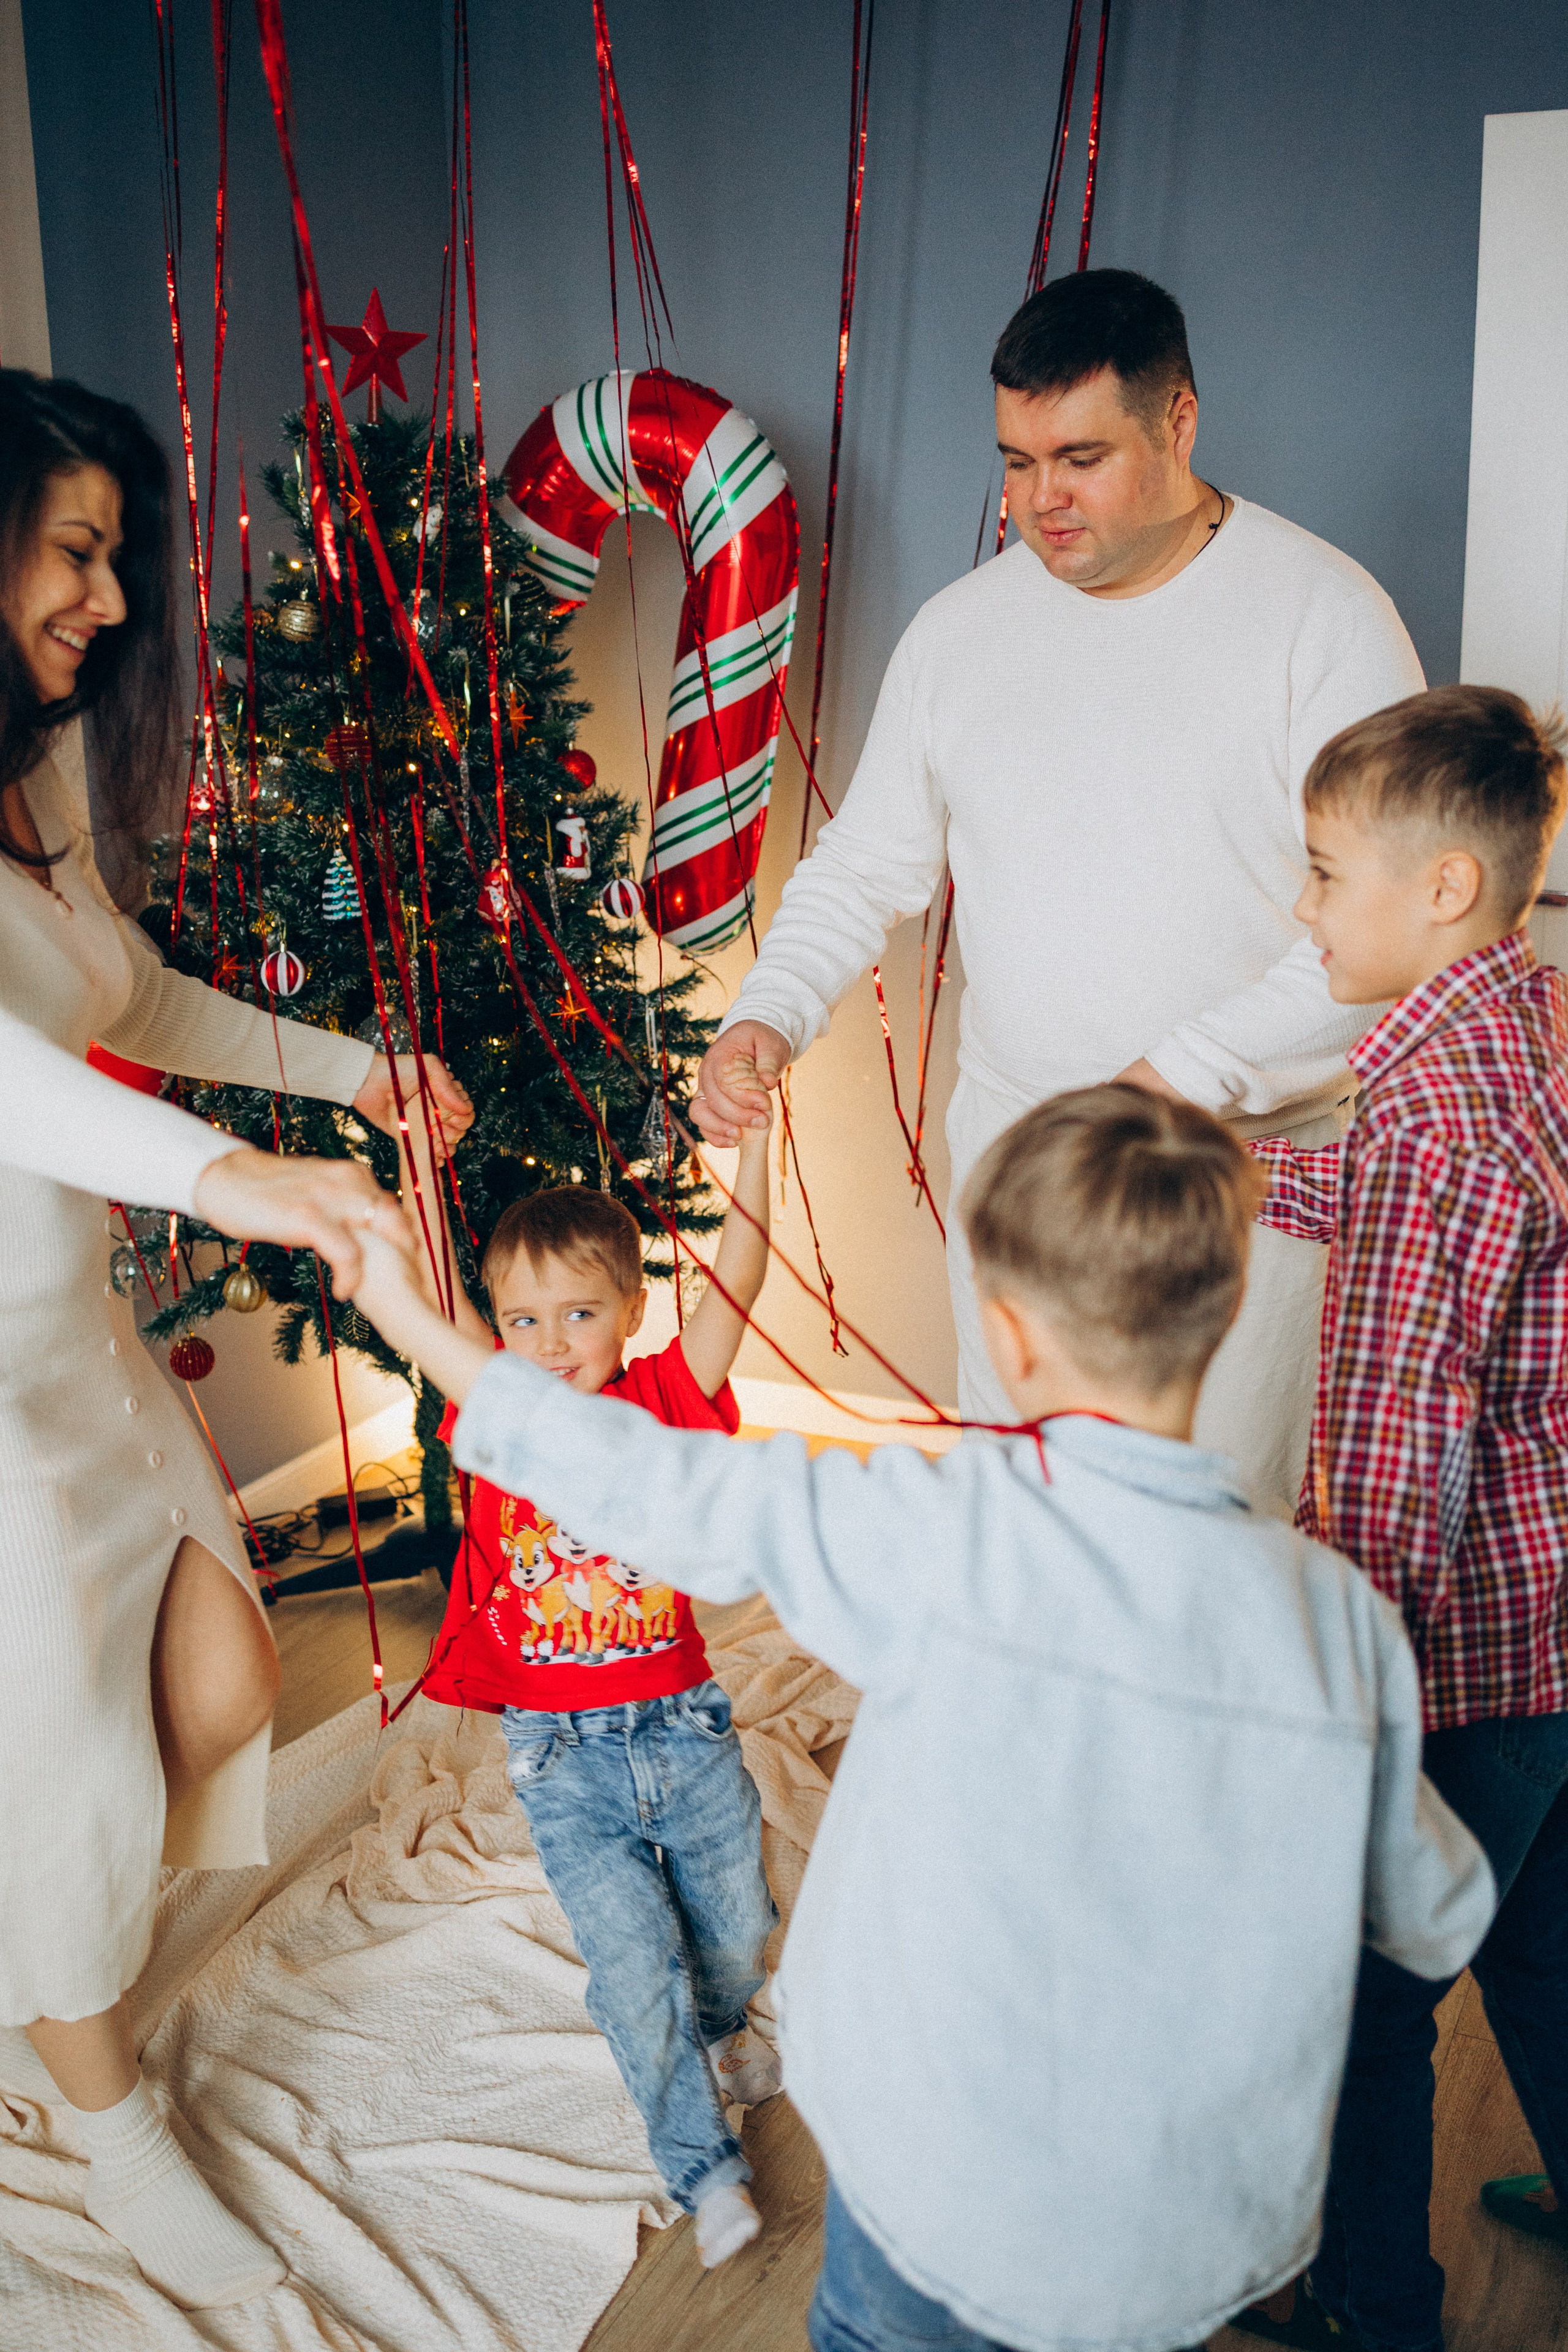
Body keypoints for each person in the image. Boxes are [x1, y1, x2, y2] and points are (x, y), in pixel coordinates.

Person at [353, 1082, 1493, 2352]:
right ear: (1224, 1315)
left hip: (937, 2214)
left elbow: (655, 1486)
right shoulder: (1336, 1616)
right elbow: (1434, 1910)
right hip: (1183, 2248)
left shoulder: (932, 1531)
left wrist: (408, 1312)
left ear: (1004, 1335)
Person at [693, 267, 1425, 1518]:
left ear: (1178, 422)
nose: (1038, 502)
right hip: (1018, 1163)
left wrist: (1168, 1079)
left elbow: (1394, 933)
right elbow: (867, 863)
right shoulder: (957, 633)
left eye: (1077, 458)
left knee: (1209, 1536)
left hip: (1239, 1181)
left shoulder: (1326, 619)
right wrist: (770, 1009)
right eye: (1015, 461)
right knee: (1023, 1518)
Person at [0, 368, 470, 2309]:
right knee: (80, 1798)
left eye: (117, 559)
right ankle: (106, 2129)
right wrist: (244, 1186)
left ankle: (47, 1962)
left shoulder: (28, 781)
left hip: (86, 1358)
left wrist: (359, 1079)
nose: (108, 601)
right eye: (78, 552)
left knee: (215, 1691)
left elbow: (137, 997)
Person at [1230, 686, 1568, 2352]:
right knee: (1552, 1953)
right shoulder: (1518, 1030)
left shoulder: (1434, 1125)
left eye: (1320, 872)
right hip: (1554, 1629)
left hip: (1458, 1659)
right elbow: (1415, 1205)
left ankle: (1371, 2311)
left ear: (1440, 885)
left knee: (1360, 2004)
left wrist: (1335, 1690)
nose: (1302, 908)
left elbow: (1388, 1457)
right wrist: (1233, 1166)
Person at [397, 1093, 780, 2269]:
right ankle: (701, 2166)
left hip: (685, 1730)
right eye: (520, 1320)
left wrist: (757, 1146)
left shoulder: (664, 1399)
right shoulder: (497, 1419)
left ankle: (716, 2028)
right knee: (629, 1964)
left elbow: (739, 1288)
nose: (550, 1342)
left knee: (735, 1929)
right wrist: (418, 1163)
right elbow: (424, 1294)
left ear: (629, 1311)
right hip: (561, 1763)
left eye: (578, 1313)